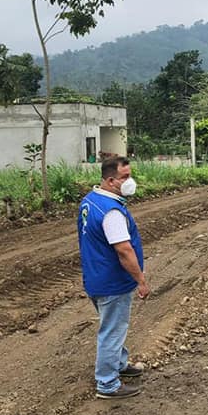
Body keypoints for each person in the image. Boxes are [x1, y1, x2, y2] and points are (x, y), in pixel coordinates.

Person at [78, 157, 151, 399]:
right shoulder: (112, 213)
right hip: (113, 282)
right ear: (111, 181)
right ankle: (107, 384)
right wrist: (140, 280)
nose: (130, 181)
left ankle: (119, 364)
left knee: (112, 326)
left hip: (95, 277)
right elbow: (124, 250)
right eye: (125, 177)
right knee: (112, 331)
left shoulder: (90, 201)